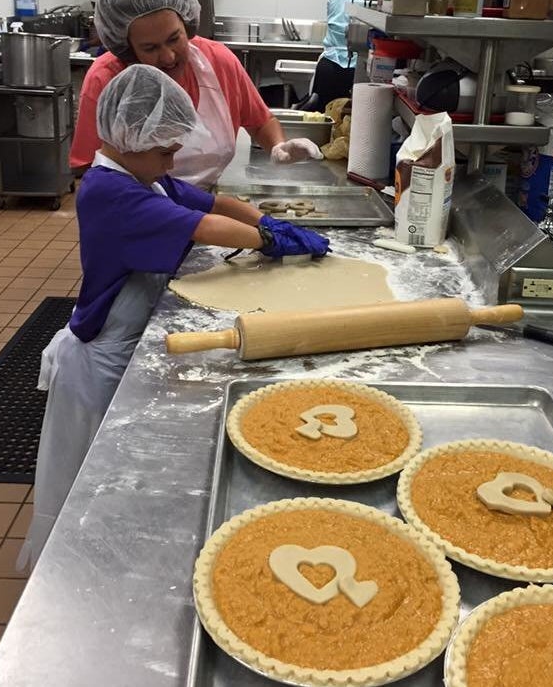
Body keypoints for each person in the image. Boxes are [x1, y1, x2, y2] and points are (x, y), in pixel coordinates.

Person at [19, 64, 329, 568]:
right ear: (128, 137)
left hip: (125, 342)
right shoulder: (108, 192)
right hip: (101, 360)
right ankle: (84, 572)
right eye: (165, 150)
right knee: (98, 482)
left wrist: (267, 219)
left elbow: (216, 202)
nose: (173, 160)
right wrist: (271, 242)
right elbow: (207, 228)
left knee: (119, 475)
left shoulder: (146, 177)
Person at [70, 0, 323, 186]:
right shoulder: (107, 80)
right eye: (150, 48)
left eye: (174, 38)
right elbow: (87, 169)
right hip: (136, 215)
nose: (168, 56)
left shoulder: (217, 62)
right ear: (127, 47)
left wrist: (278, 147)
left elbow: (260, 121)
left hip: (206, 210)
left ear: (187, 24)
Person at [309, 0, 358, 110]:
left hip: (329, 64)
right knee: (348, 119)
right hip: (357, 67)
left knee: (322, 117)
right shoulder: (370, 1)